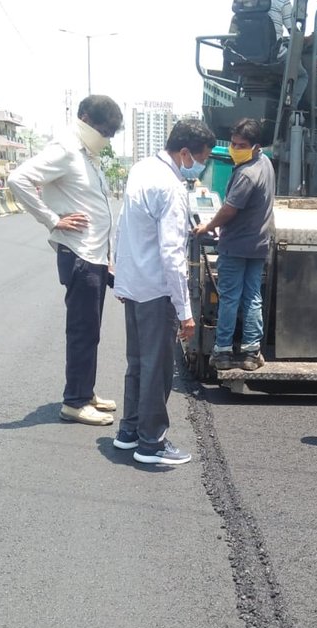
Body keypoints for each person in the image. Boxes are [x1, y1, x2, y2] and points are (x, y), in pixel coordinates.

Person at [8, 94, 123, 426]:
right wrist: (51, 219)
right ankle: (74, 401)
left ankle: (84, 392)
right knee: (82, 330)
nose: (107, 137)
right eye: (104, 130)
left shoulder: (87, 155)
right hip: (79, 256)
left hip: (94, 256)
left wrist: (108, 258)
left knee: (91, 331)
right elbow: (18, 179)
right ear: (84, 118)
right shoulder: (66, 148)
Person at [112, 119, 217, 465]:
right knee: (157, 368)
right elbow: (172, 255)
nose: (200, 165)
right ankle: (151, 443)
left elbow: (124, 229)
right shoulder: (171, 187)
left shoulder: (141, 169)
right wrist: (185, 310)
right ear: (185, 153)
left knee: (138, 363)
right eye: (200, 158)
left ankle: (129, 432)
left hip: (135, 286)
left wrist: (123, 280)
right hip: (157, 290)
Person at [193, 118, 275, 371]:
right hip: (258, 244)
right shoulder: (265, 163)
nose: (235, 148)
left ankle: (223, 351)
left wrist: (207, 226)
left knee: (230, 298)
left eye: (241, 145)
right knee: (252, 297)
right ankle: (251, 352)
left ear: (256, 146)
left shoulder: (246, 174)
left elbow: (229, 210)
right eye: (233, 143)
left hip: (236, 245)